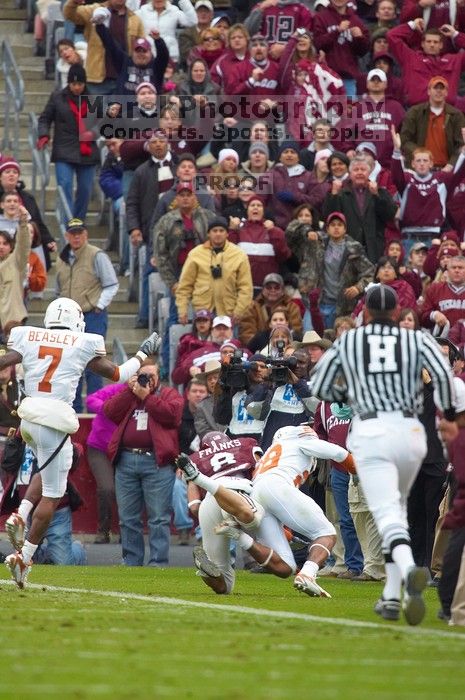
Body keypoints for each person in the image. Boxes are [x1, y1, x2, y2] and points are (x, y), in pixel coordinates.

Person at [309, 283, 456, 625]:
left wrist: (344, 393)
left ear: (365, 311)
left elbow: (320, 385)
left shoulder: (351, 340)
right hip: (411, 432)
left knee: (388, 514)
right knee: (398, 511)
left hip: (372, 430)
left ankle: (408, 573)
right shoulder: (416, 339)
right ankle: (391, 598)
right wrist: (448, 413)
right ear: (395, 311)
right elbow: (444, 378)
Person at [3, 297, 161, 588]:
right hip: (54, 420)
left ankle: (21, 514)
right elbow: (118, 374)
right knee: (54, 492)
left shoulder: (28, 335)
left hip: (28, 418)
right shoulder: (82, 342)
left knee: (48, 469)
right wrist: (142, 354)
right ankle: (24, 558)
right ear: (77, 319)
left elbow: (5, 360)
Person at [103, 361, 183, 566]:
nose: (146, 379)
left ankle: (158, 563)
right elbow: (110, 411)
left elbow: (172, 416)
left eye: (150, 375)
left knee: (158, 518)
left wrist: (146, 398)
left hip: (156, 463)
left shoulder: (169, 395)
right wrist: (130, 391)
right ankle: (131, 561)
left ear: (159, 378)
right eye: (142, 375)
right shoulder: (129, 395)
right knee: (128, 518)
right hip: (127, 461)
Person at [55, 218, 119, 412]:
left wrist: (99, 305)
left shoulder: (96, 255)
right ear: (67, 236)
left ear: (86, 235)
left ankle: (93, 410)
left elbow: (112, 284)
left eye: (79, 233)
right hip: (68, 321)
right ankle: (71, 410)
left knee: (94, 365)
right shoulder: (62, 258)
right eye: (72, 233)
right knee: (69, 366)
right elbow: (58, 289)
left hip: (92, 315)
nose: (76, 237)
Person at [287, 211, 374, 330]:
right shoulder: (315, 242)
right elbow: (290, 232)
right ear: (327, 228)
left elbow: (370, 273)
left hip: (342, 306)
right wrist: (307, 231)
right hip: (315, 303)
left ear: (345, 229)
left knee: (335, 343)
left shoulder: (354, 248)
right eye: (333, 225)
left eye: (339, 225)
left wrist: (358, 287)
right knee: (310, 340)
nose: (336, 227)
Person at [36, 65, 101, 222]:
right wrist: (44, 134)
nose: (77, 87)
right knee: (64, 186)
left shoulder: (93, 100)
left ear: (85, 83)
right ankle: (68, 224)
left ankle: (78, 223)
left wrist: (93, 133)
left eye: (80, 84)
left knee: (85, 190)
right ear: (69, 83)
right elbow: (45, 118)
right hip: (64, 149)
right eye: (73, 84)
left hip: (87, 150)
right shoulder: (57, 97)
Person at [175, 218, 253, 328]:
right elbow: (184, 286)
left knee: (227, 345)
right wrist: (182, 310)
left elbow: (246, 287)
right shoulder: (195, 254)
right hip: (202, 312)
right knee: (202, 345)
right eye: (214, 231)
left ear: (227, 234)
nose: (218, 234)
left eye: (221, 231)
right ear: (208, 234)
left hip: (229, 313)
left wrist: (239, 311)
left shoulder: (239, 255)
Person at [323, 155, 397, 264]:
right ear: (350, 173)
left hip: (374, 248)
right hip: (347, 247)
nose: (359, 173)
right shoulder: (340, 193)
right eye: (356, 170)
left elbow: (390, 215)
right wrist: (333, 195)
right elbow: (329, 217)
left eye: (363, 169)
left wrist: (376, 195)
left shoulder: (380, 191)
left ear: (369, 172)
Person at [63, 0, 145, 95]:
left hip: (124, 80)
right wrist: (73, 2)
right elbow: (69, 14)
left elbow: (141, 50)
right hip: (97, 81)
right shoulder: (93, 10)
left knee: (123, 110)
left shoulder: (135, 19)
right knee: (96, 110)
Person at [400, 77, 465, 170]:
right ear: (428, 91)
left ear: (447, 92)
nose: (439, 91)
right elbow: (405, 140)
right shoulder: (414, 112)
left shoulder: (457, 115)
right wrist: (420, 154)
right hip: (419, 170)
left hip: (447, 170)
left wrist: (451, 165)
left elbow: (461, 145)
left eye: (442, 88)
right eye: (435, 88)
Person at [239, 273, 302, 346]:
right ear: (263, 289)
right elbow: (247, 334)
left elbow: (296, 331)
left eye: (277, 287)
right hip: (258, 349)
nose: (273, 290)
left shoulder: (292, 307)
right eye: (269, 287)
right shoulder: (252, 308)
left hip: (287, 347)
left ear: (282, 290)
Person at [0, 206, 31, 336]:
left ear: (11, 246)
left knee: (11, 356)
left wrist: (23, 222)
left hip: (12, 323)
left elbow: (23, 245)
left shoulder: (16, 262)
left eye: (5, 243)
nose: (0, 246)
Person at [136, 0, 197, 64]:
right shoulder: (143, 11)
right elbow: (129, 17)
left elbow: (192, 22)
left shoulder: (174, 10)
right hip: (148, 57)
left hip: (170, 56)